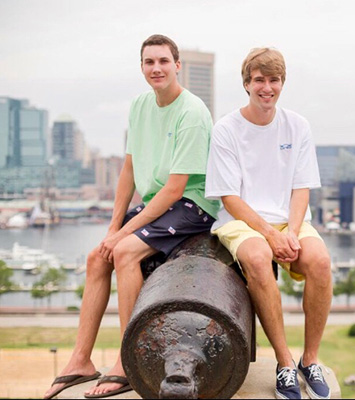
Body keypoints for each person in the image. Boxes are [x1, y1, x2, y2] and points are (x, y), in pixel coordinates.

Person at [43, 34, 218, 399]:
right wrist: (112, 227)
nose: (156, 68)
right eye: (149, 62)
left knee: (123, 252)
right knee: (98, 256)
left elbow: (175, 188)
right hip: (159, 202)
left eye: (163, 61)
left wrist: (122, 236)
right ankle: (80, 360)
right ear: (141, 67)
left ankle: (127, 360)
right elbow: (128, 170)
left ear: (177, 65)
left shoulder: (193, 112)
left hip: (192, 204)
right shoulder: (140, 105)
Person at [205, 47, 332, 400]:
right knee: (260, 258)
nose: (267, 87)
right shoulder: (227, 129)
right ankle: (285, 364)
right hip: (241, 221)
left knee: (320, 262)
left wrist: (291, 232)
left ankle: (310, 360)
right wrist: (269, 235)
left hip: (288, 220)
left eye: (273, 80)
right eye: (259, 80)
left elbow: (301, 187)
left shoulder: (297, 125)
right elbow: (229, 197)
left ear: (281, 83)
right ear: (247, 83)